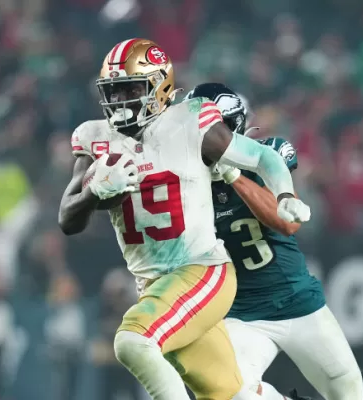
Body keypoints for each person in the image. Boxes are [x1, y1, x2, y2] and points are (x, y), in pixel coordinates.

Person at [58, 38, 311, 400]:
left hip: (202, 270)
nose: (120, 101)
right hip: (155, 286)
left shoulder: (190, 121)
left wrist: (284, 193)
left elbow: (260, 157)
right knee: (234, 394)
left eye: (131, 88)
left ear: (159, 86)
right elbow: (68, 218)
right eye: (113, 92)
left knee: (132, 341)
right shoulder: (95, 137)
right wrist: (94, 192)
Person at [185, 83, 363, 400]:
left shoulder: (266, 155)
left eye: (209, 130)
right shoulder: (184, 185)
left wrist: (234, 176)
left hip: (298, 303)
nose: (203, 140)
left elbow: (289, 223)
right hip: (243, 314)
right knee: (226, 393)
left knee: (349, 394)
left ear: (231, 126)